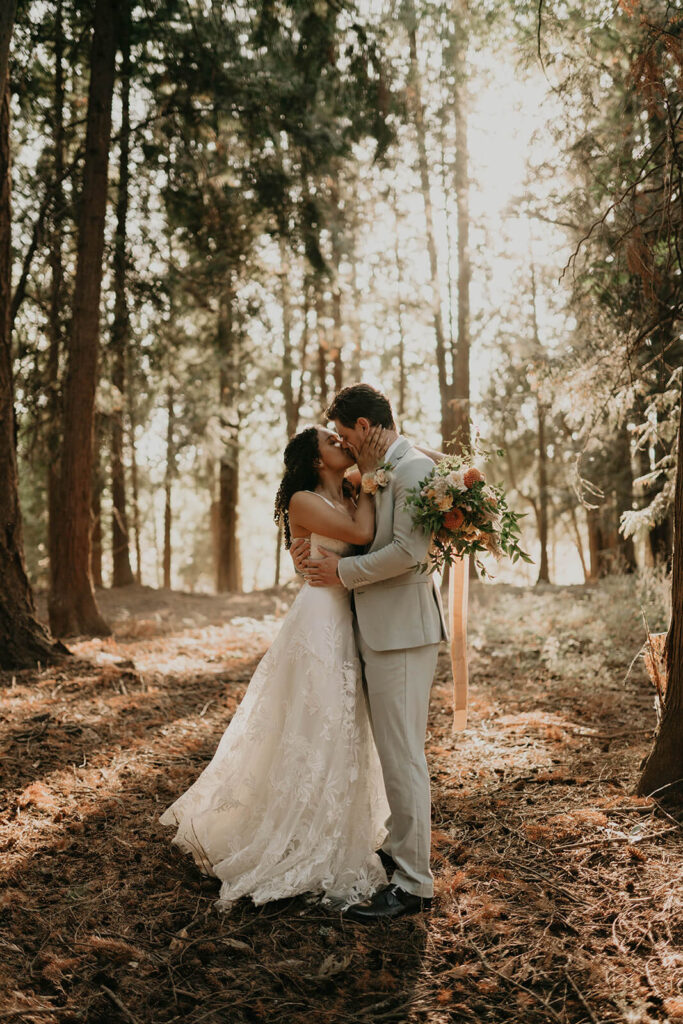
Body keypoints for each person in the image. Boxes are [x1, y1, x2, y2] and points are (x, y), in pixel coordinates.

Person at [160, 424, 392, 907]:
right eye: (332, 441)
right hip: (317, 624)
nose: (342, 443)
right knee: (315, 720)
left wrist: (365, 477)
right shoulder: (305, 500)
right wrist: (370, 474)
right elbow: (363, 534)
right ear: (313, 459)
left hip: (347, 622)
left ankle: (330, 825)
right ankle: (293, 835)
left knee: (340, 724)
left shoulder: (349, 491)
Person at [291, 383, 447, 921]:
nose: (341, 442)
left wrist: (342, 571)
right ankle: (401, 852)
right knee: (393, 755)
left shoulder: (412, 470)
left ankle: (414, 885)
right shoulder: (385, 470)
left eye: (341, 433)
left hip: (403, 631)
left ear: (362, 428)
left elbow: (408, 552)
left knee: (403, 757)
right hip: (379, 631)